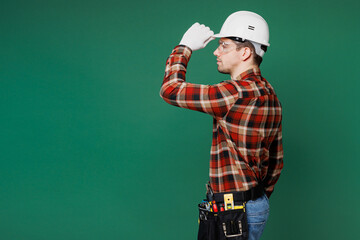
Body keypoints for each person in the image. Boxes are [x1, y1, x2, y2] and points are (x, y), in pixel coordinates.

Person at [160, 11, 283, 240]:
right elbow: (276, 162)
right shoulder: (270, 93)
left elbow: (170, 90)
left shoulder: (233, 93)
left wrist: (184, 46)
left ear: (245, 52)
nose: (216, 51)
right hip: (251, 206)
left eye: (224, 46)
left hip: (233, 212)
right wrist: (254, 200)